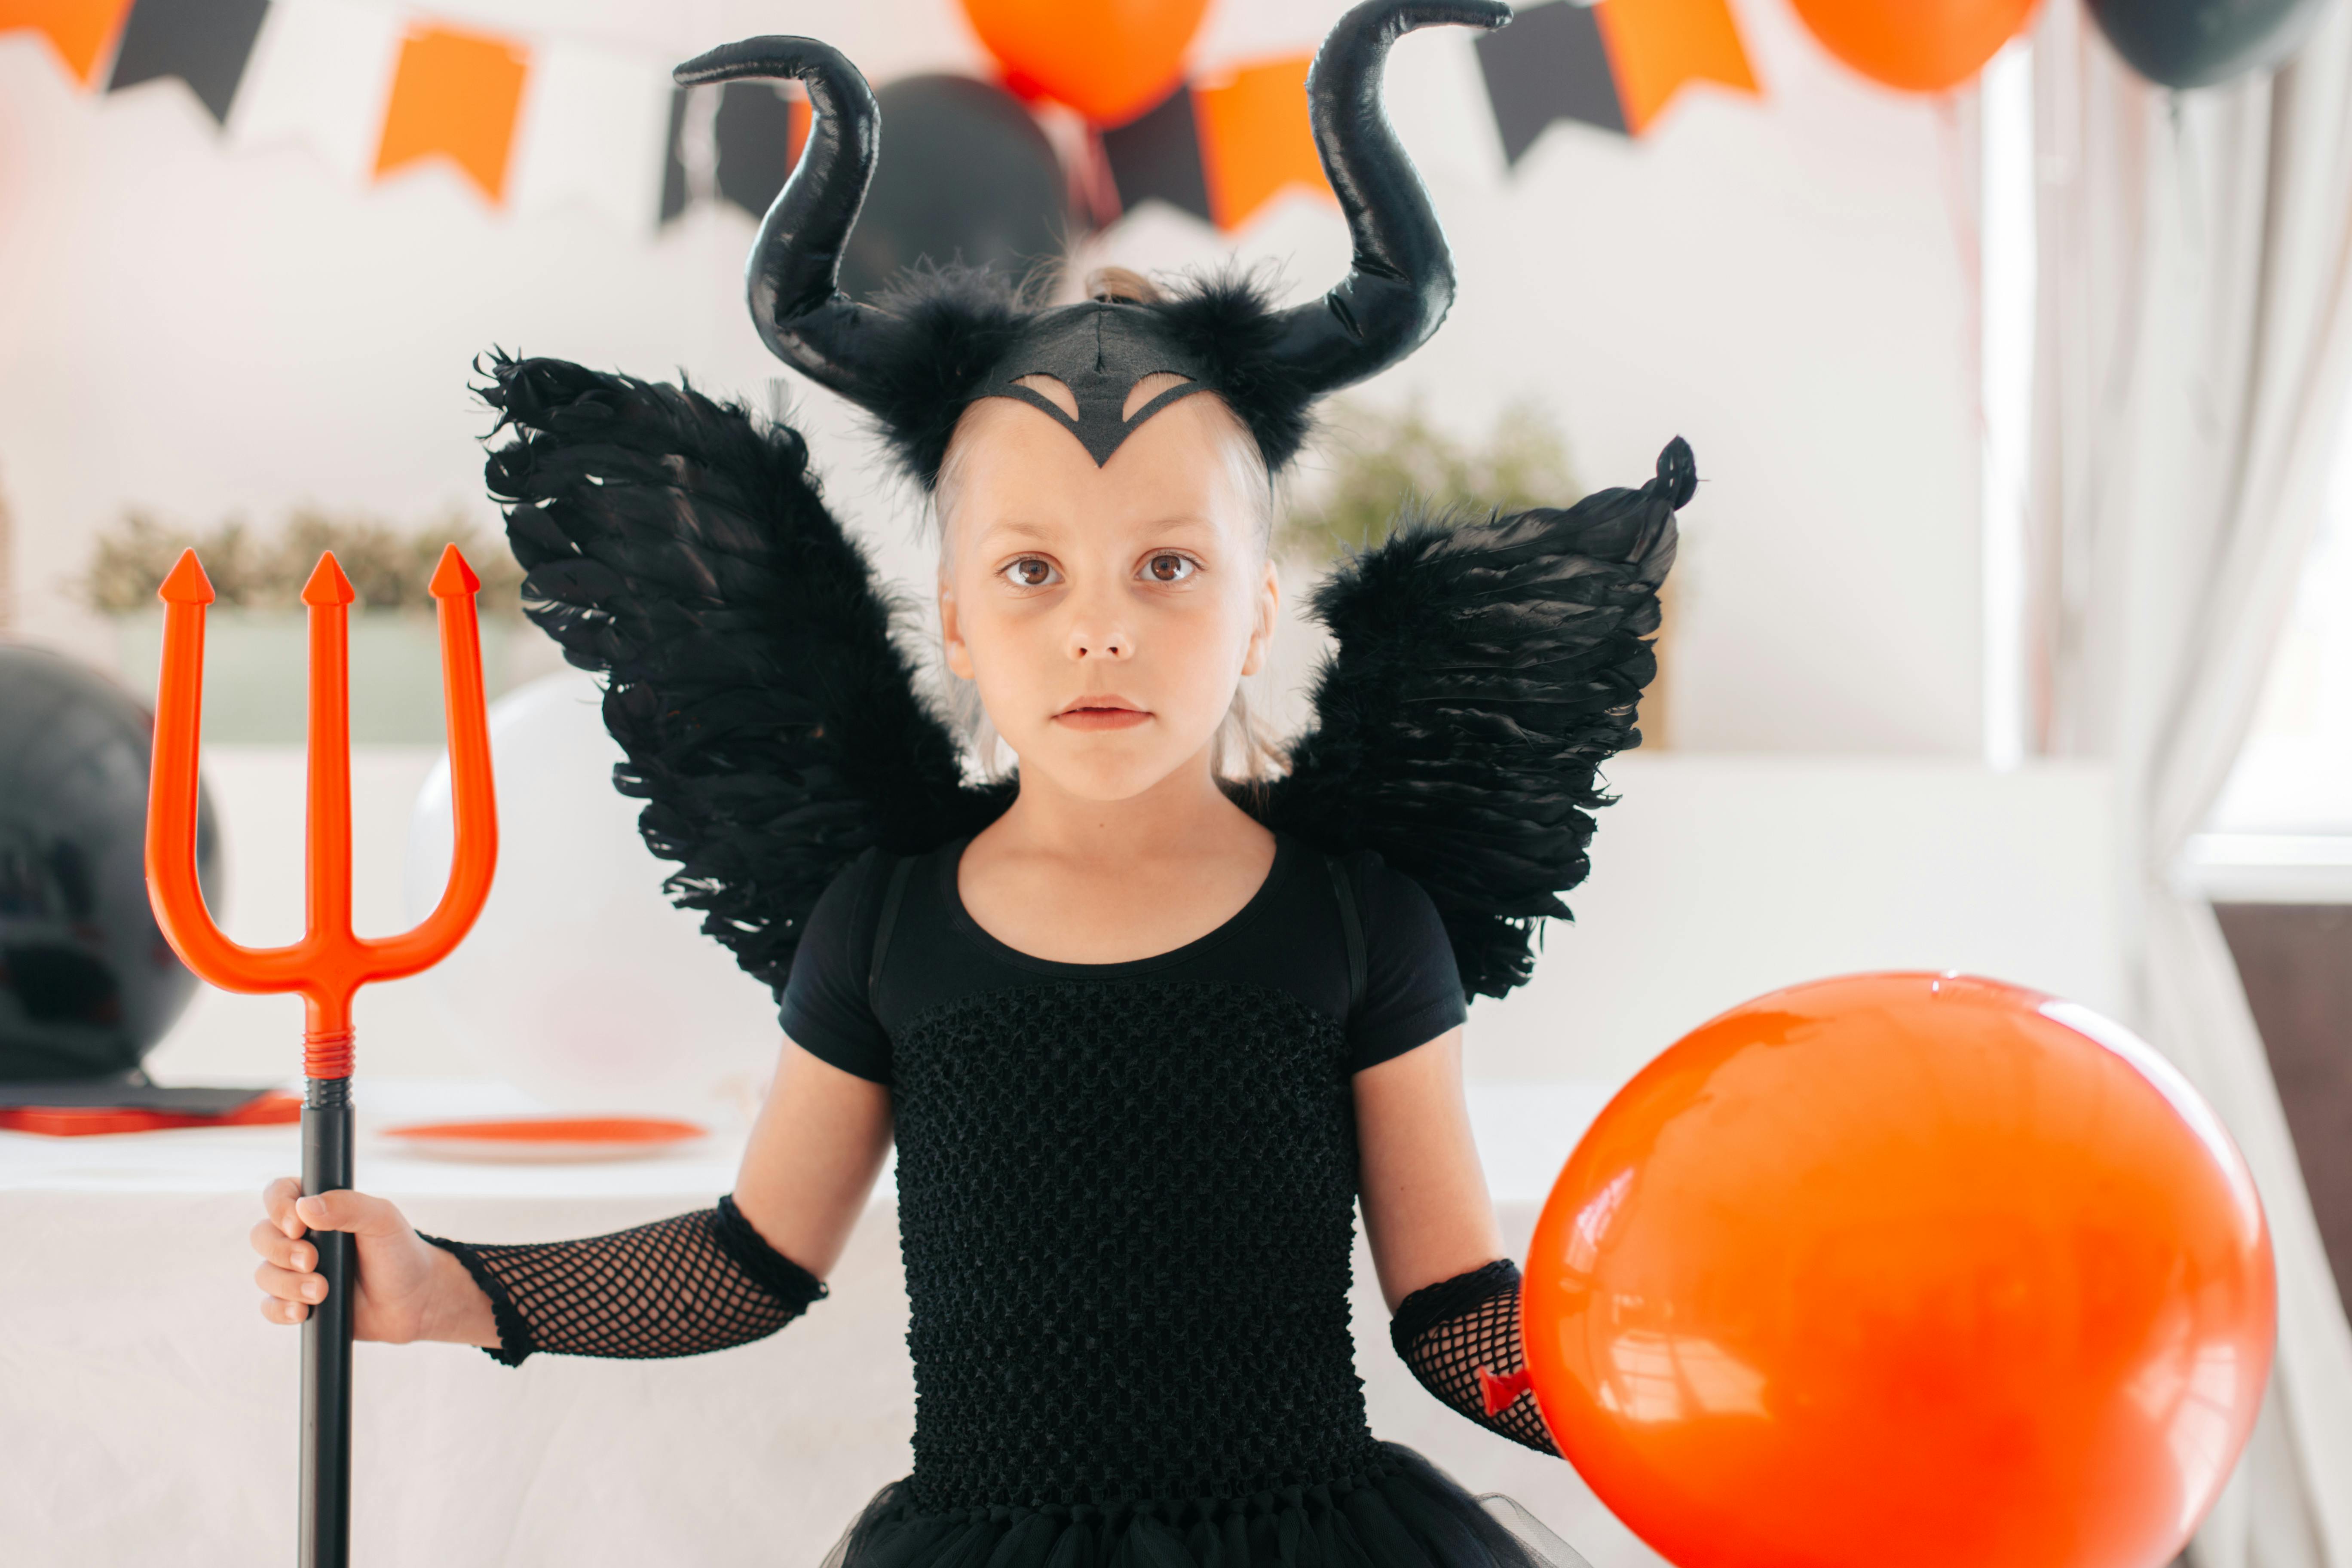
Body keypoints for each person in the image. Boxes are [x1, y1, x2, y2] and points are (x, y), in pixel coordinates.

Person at [247, 3, 1694, 1562]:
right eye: (1029, 569)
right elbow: (756, 1259)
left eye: (1170, 567)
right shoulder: (887, 922)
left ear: (1263, 603)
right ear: (947, 610)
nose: (1098, 627)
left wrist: (1689, 1403)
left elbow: (1449, 1306)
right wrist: (456, 1285)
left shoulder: (1359, 921)